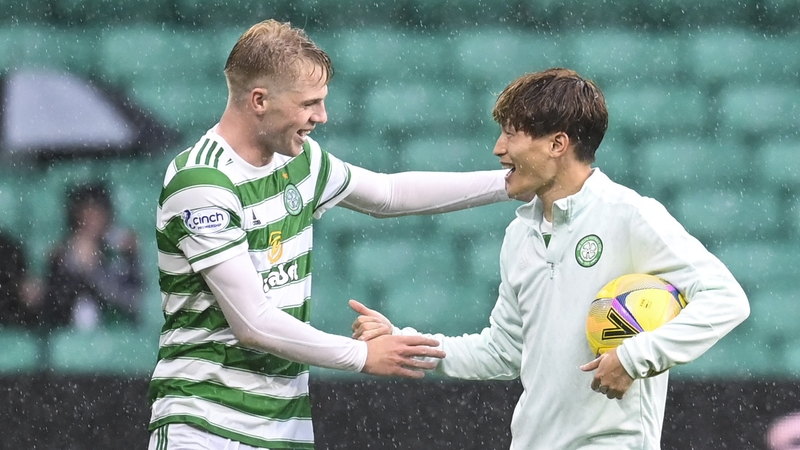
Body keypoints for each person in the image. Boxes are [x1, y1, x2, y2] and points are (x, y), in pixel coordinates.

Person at [146, 19, 510, 450]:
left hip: (286, 424)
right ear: (259, 100)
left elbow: (389, 194)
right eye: (309, 104)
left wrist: (510, 183)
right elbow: (252, 322)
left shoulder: (301, 161)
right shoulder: (203, 183)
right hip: (206, 422)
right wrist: (362, 357)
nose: (322, 116)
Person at [351, 67, 750, 449]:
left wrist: (634, 357)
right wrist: (406, 343)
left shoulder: (630, 214)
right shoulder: (519, 233)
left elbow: (726, 299)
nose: (498, 149)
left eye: (511, 134)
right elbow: (503, 352)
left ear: (557, 144)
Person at [43, 181, 143, 330]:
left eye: (96, 213)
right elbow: (55, 303)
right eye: (85, 214)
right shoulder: (63, 253)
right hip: (73, 334)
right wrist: (71, 262)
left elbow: (130, 299)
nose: (91, 220)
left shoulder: (122, 248)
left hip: (118, 326)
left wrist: (93, 269)